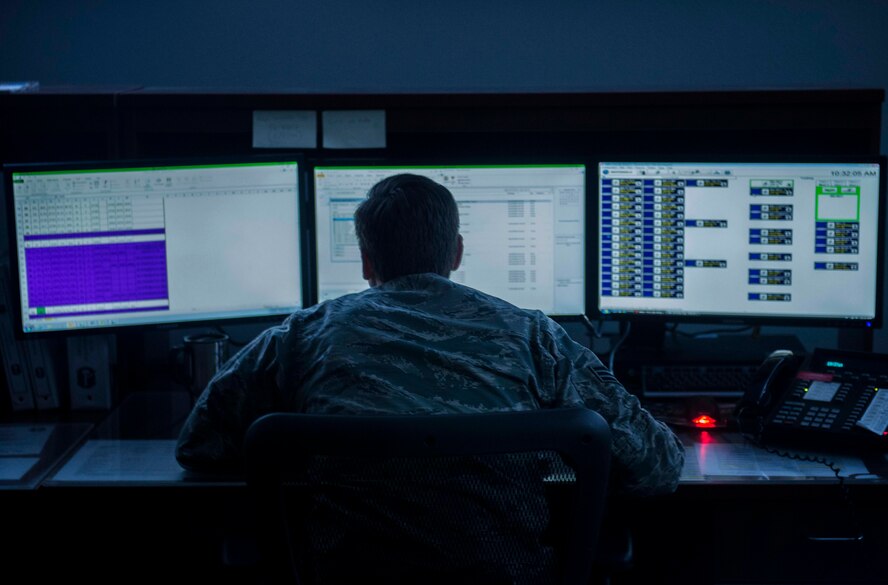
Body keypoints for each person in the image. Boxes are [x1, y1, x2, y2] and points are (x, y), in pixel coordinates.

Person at [176, 173, 684, 581]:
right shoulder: (535, 336)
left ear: (366, 258)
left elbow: (199, 445)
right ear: (457, 253)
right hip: (505, 580)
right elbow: (655, 465)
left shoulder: (301, 335)